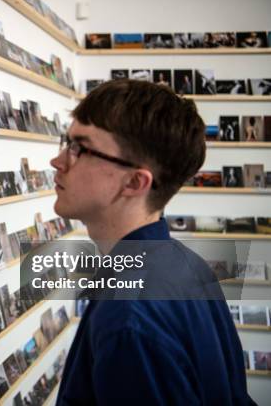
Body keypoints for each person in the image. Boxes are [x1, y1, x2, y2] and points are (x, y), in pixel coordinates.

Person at [52, 80, 252, 404]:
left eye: (79, 148)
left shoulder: (129, 320)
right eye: (66, 142)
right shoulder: (188, 264)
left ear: (134, 181)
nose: (58, 161)